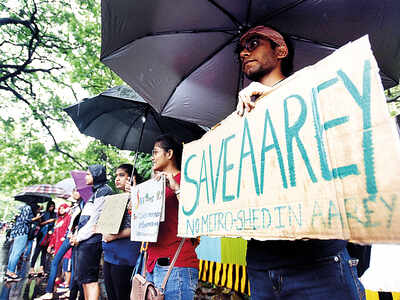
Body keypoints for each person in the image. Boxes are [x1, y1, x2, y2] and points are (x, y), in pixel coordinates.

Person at [235, 25, 365, 300]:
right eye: (240, 49)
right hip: (261, 266)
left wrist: (278, 95)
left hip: (319, 264)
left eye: (254, 43)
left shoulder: (318, 93)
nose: (243, 52)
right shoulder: (241, 118)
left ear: (280, 50)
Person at [145, 134, 199, 299]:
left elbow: (195, 214)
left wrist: (176, 188)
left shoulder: (187, 179)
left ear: (169, 154)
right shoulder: (153, 186)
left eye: (155, 152)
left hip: (176, 264)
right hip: (152, 263)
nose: (152, 158)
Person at [70, 164, 112, 300]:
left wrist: (79, 237)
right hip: (84, 239)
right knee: (84, 279)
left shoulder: (104, 191)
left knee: (90, 279)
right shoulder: (96, 192)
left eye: (88, 174)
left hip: (91, 240)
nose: (85, 176)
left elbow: (95, 220)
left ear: (96, 174)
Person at [102, 163, 142, 300]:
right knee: (111, 294)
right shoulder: (116, 198)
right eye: (116, 176)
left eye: (121, 175)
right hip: (109, 254)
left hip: (125, 255)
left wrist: (114, 236)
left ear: (132, 178)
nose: (117, 179)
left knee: (122, 295)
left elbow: (139, 226)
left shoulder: (140, 197)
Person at [6, 202, 41, 281]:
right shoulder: (27, 208)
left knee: (14, 253)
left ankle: (9, 271)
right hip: (22, 232)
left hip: (17, 232)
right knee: (17, 253)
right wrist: (35, 218)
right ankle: (11, 273)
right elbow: (25, 220)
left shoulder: (21, 207)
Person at [29, 200, 56, 277]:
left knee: (44, 253)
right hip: (41, 234)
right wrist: (48, 221)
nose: (51, 208)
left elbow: (55, 225)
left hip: (49, 235)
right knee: (37, 251)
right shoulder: (43, 213)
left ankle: (41, 268)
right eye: (50, 206)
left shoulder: (54, 214)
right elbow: (39, 224)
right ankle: (31, 268)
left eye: (53, 206)